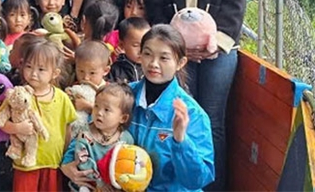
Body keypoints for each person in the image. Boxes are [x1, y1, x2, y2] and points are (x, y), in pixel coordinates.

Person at [146, 0, 246, 190]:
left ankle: (213, 186)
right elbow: (156, 2)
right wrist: (176, 48)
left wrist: (214, 44)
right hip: (177, 55)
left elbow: (235, 1)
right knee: (180, 116)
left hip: (219, 53)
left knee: (212, 120)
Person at [64, 25, 214, 191]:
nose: (154, 64)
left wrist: (180, 141)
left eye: (164, 58)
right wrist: (68, 162)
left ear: (180, 63)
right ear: (140, 55)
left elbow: (197, 180)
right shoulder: (121, 97)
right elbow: (91, 128)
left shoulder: (193, 114)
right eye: (148, 54)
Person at [1, 40, 76, 191]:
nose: (34, 73)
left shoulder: (62, 98)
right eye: (29, 66)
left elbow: (67, 128)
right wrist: (17, 128)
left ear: (55, 73)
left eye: (41, 69)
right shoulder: (17, 95)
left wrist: (65, 155)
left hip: (52, 162)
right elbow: (1, 122)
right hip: (26, 164)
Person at [61, 84, 135, 192]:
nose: (99, 113)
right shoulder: (85, 135)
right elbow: (83, 160)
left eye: (107, 110)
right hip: (88, 185)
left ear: (123, 118)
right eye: (96, 106)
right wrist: (100, 182)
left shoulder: (126, 139)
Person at [107, 18, 150, 83]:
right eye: (136, 45)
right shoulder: (115, 70)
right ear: (121, 45)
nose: (142, 50)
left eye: (146, 45)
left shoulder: (152, 67)